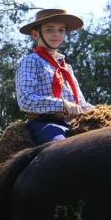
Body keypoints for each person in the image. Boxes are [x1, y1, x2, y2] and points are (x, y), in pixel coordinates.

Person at [16, 9, 94, 144]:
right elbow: (25, 99)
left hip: (74, 123)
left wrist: (99, 111)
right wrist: (62, 105)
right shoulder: (31, 61)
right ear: (35, 34)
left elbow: (80, 103)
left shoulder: (66, 68)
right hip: (45, 123)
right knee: (62, 150)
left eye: (61, 30)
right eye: (49, 30)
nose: (56, 34)